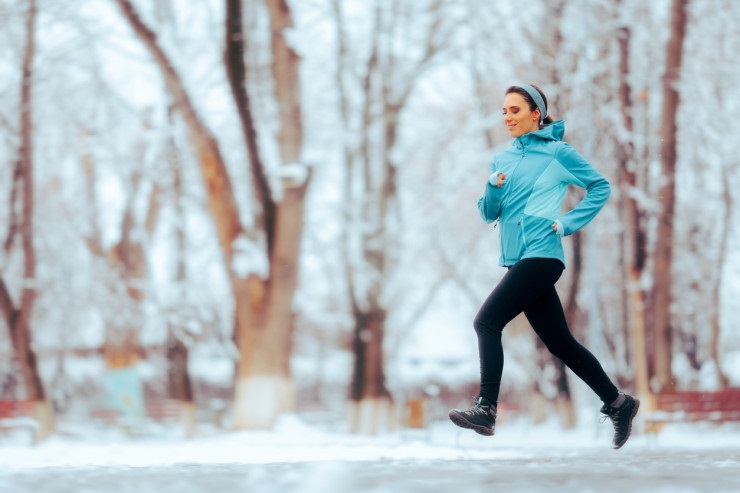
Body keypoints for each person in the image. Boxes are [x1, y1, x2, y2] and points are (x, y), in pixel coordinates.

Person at [448, 84, 639, 449]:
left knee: (486, 322)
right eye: (504, 111)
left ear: (536, 113)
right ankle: (618, 403)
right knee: (560, 343)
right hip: (519, 260)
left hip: (543, 255)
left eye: (515, 110)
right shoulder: (502, 160)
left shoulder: (557, 153)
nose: (507, 117)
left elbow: (599, 187)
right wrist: (491, 187)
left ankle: (486, 408)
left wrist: (567, 223)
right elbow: (489, 214)